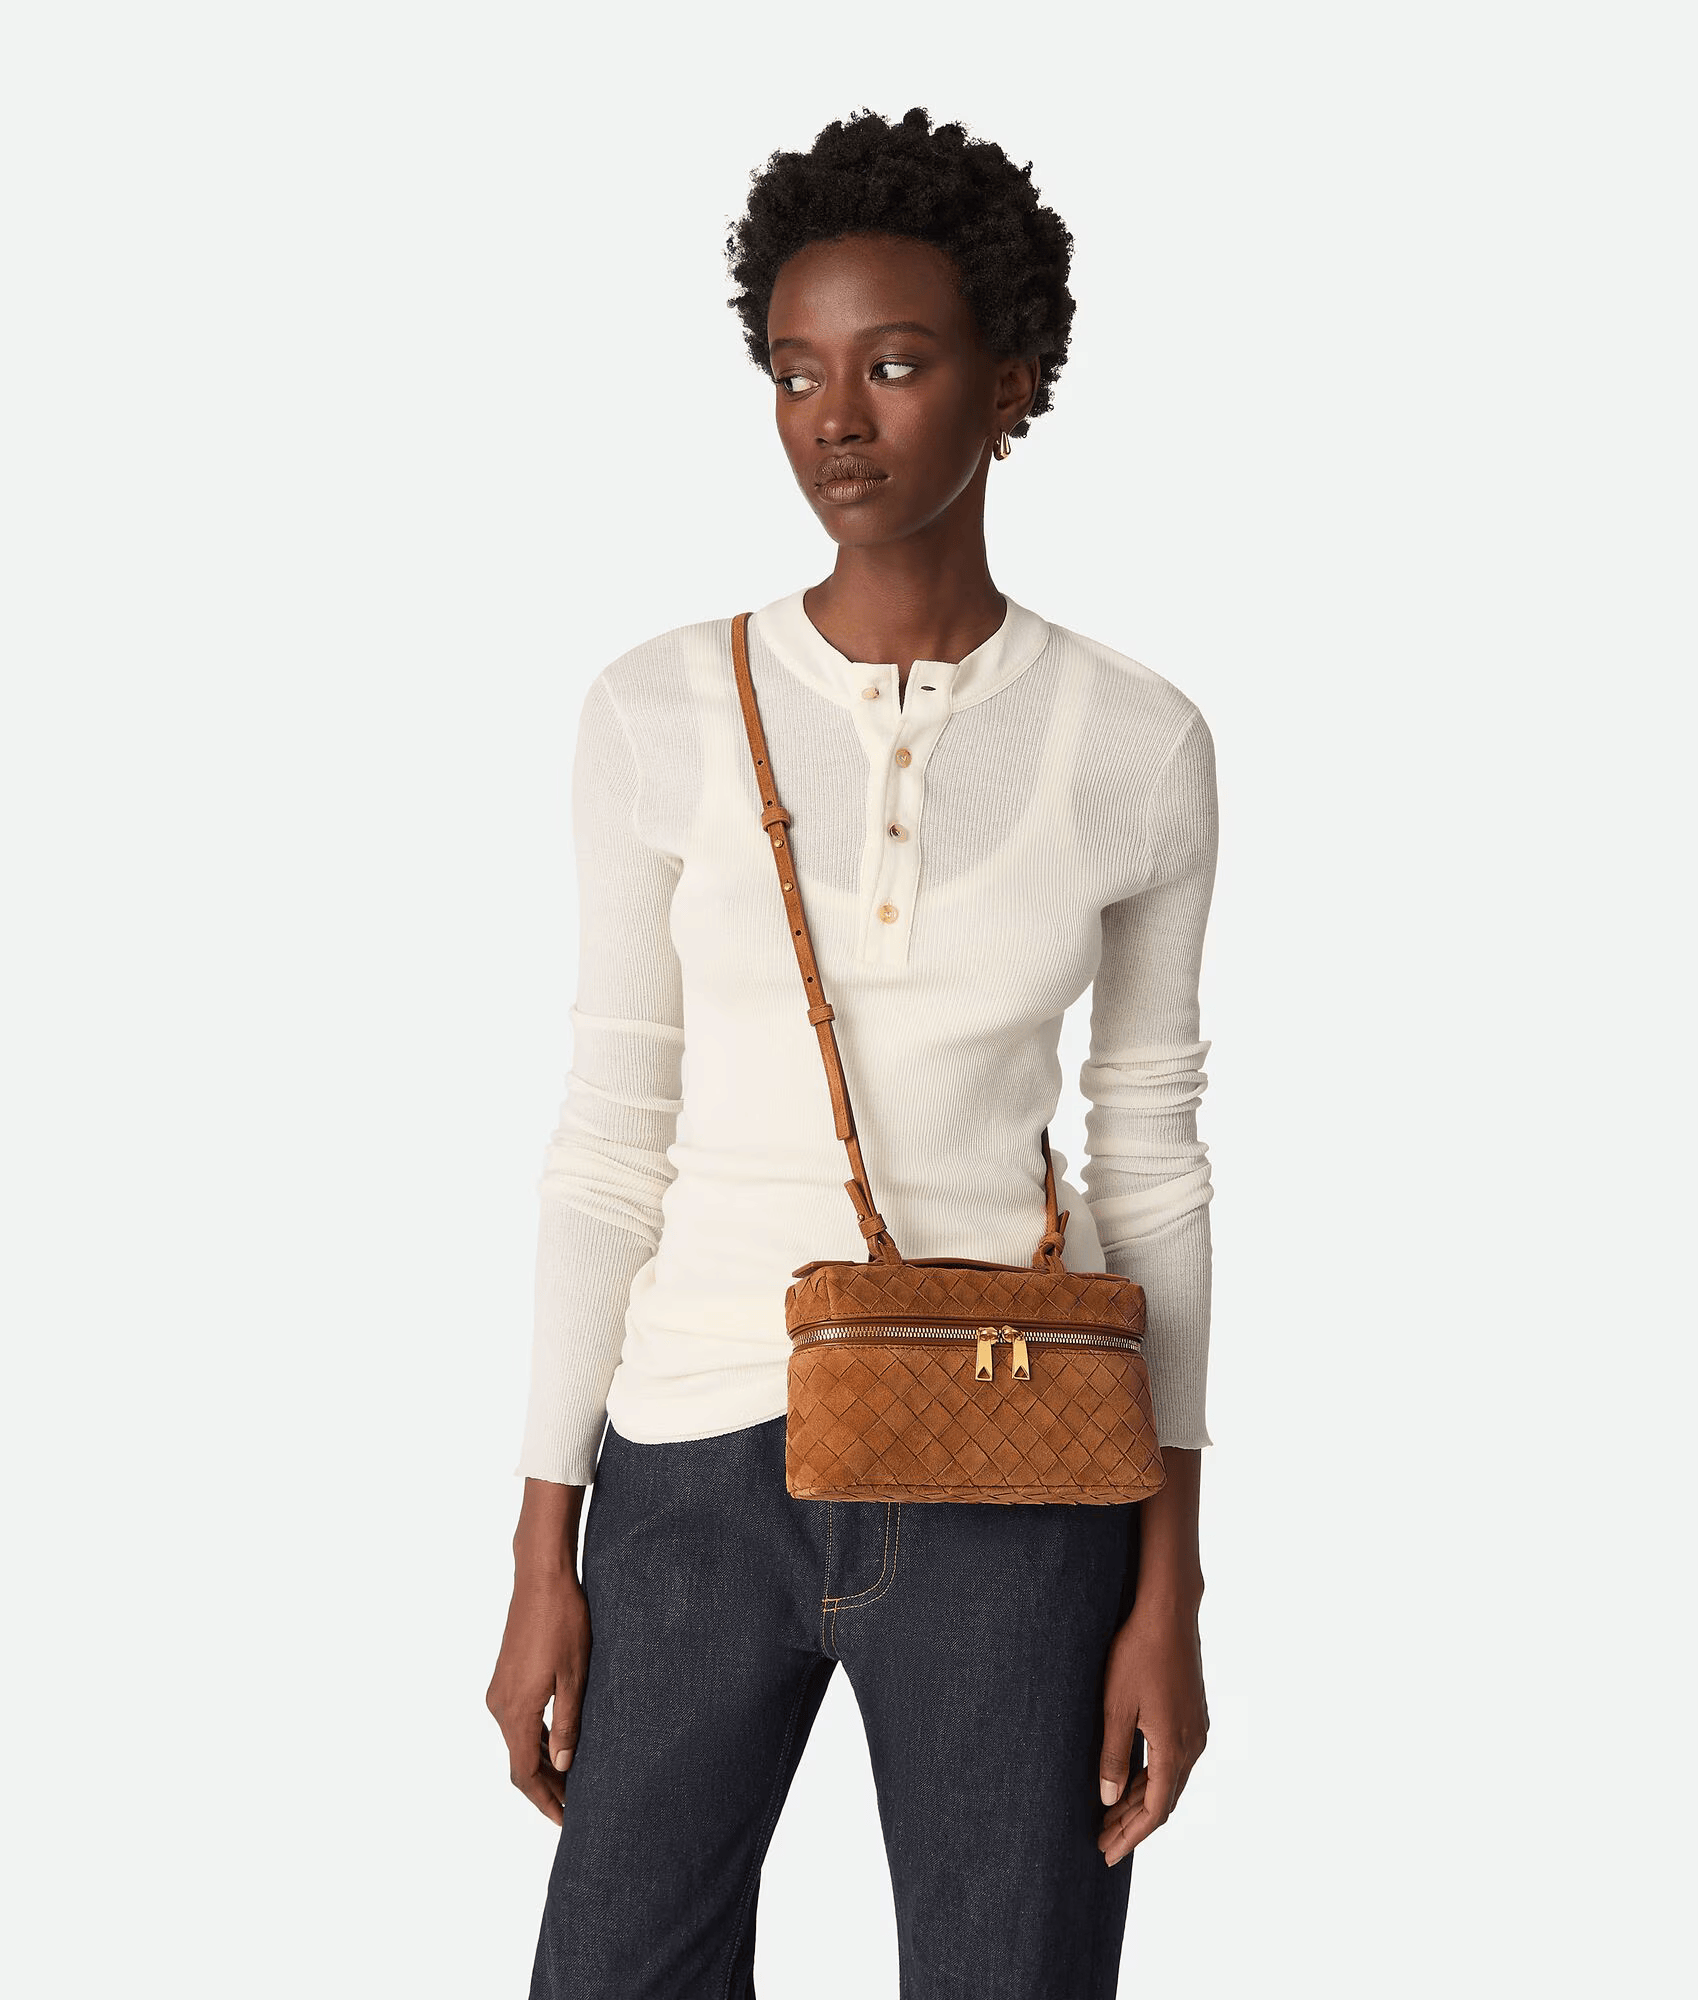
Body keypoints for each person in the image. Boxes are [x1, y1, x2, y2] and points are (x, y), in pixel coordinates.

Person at [487, 106, 1218, 1999]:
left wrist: (1169, 1581)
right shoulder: (657, 708)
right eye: (794, 371)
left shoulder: (1133, 741)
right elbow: (608, 1134)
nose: (836, 419)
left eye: (892, 365)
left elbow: (1149, 1162)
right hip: (686, 1461)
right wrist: (542, 1544)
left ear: (1010, 379)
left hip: (1014, 1470)